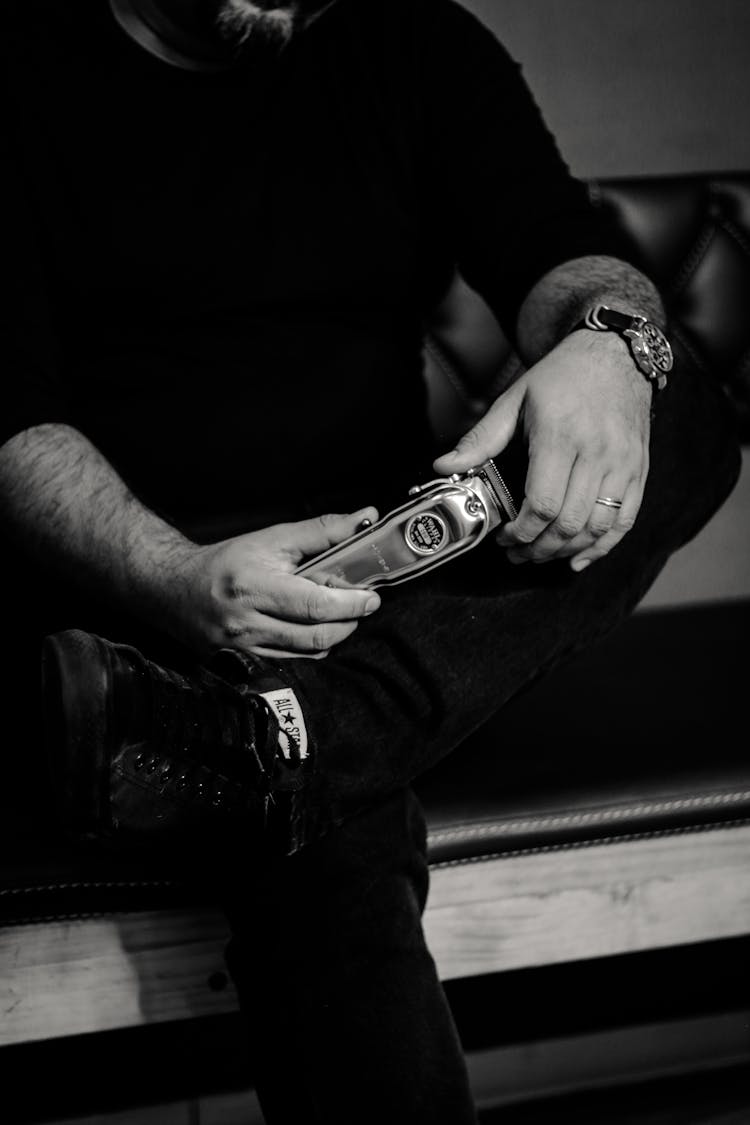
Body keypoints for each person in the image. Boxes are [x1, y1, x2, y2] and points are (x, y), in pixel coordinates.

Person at [0, 1, 740, 1120]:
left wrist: (607, 340)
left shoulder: (414, 41)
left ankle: (282, 745)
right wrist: (176, 578)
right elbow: (12, 419)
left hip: (398, 585)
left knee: (673, 402)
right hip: (138, 601)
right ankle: (293, 747)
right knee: (328, 848)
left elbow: (555, 245)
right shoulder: (14, 67)